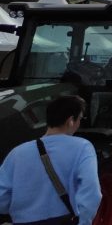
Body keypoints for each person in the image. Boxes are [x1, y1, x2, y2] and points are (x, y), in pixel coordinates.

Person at [0, 95, 102, 224]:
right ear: (71, 120)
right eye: (80, 118)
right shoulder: (82, 147)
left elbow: (2, 196)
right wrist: (84, 221)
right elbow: (91, 191)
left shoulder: (17, 153)